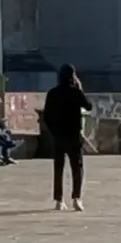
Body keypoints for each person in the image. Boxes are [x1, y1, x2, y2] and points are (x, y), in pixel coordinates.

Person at [42, 64, 92, 212]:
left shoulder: (52, 93)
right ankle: (76, 199)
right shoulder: (75, 92)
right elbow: (88, 106)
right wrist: (80, 88)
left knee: (58, 168)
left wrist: (54, 131)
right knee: (77, 167)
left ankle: (59, 200)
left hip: (58, 135)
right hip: (74, 135)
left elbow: (46, 116)